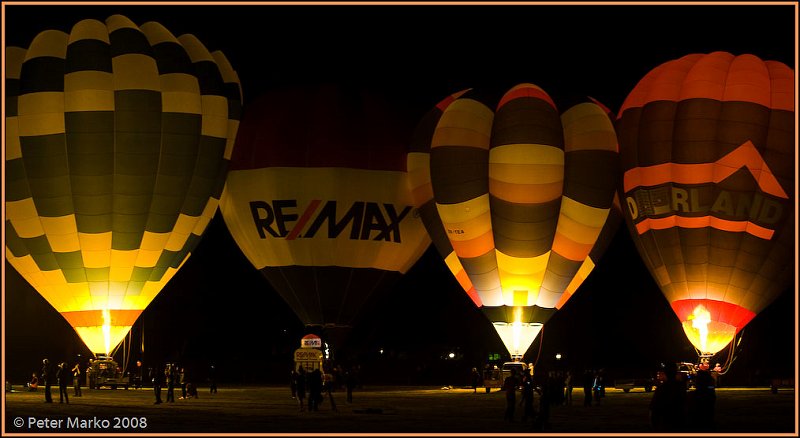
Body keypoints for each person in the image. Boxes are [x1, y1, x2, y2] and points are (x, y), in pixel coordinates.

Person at [650, 362, 687, 432]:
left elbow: (654, 409)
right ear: (676, 371)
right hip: (679, 422)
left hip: (666, 423)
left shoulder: (661, 388)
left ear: (666, 372)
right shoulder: (680, 387)